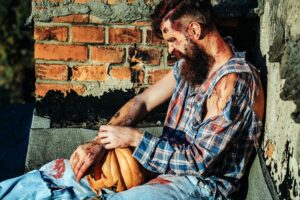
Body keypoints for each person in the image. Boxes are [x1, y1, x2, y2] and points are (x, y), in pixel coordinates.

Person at [0, 0, 265, 199]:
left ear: (194, 30)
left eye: (173, 40)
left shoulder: (235, 83)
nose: (170, 50)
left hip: (201, 187)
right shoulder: (192, 66)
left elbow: (200, 162)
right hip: (162, 168)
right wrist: (98, 144)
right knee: (60, 172)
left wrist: (134, 138)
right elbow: (143, 102)